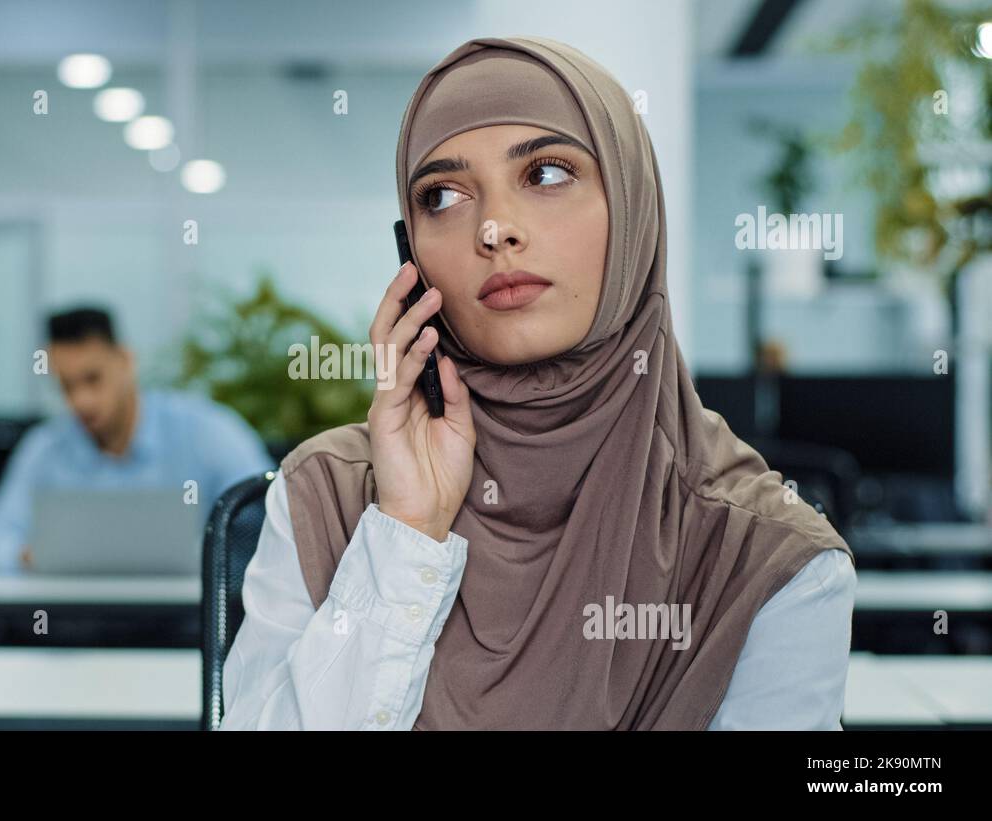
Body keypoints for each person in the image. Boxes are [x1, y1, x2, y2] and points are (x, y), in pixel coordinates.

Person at [220, 36, 857, 730]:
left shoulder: (766, 557)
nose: (495, 230)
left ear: (634, 209)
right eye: (443, 195)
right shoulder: (322, 497)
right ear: (411, 254)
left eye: (547, 174)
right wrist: (405, 530)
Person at [0, 306, 275, 572]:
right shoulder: (45, 447)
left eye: (92, 379)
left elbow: (268, 521)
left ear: (125, 361)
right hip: (74, 628)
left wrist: (205, 558)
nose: (81, 401)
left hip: (181, 627)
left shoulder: (207, 431)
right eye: (66, 387)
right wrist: (30, 555)